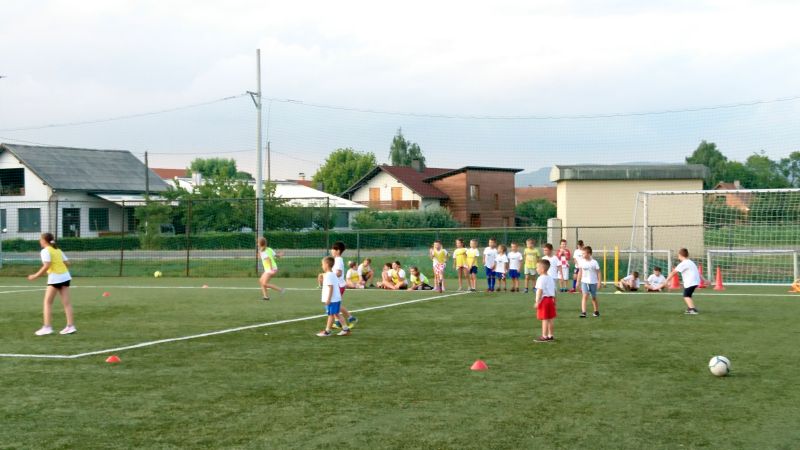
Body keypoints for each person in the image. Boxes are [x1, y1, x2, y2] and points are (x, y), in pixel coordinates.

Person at [28, 232, 76, 336]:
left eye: (40, 239)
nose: (39, 241)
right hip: (65, 277)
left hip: (55, 278)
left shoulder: (45, 251)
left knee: (47, 302)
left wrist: (35, 276)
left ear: (44, 241)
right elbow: (68, 263)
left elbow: (47, 265)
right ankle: (70, 326)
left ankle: (47, 327)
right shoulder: (58, 250)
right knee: (67, 303)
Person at [317, 256, 352, 337]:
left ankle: (327, 331)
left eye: (322, 264)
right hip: (336, 298)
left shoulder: (329, 275)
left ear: (326, 264)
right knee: (337, 314)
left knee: (331, 315)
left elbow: (331, 287)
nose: (322, 266)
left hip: (332, 300)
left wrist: (328, 299)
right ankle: (346, 329)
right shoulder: (332, 274)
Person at [330, 241, 357, 328]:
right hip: (336, 285)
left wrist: (329, 276)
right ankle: (338, 321)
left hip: (338, 286)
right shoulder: (336, 260)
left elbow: (339, 273)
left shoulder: (338, 260)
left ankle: (350, 318)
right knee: (334, 304)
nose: (331, 250)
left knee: (334, 304)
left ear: (338, 251)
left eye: (333, 249)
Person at [666, 248, 701, 314]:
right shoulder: (691, 262)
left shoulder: (683, 263)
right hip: (695, 281)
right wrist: (704, 280)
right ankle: (690, 307)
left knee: (686, 295)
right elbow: (698, 273)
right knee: (688, 295)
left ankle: (692, 309)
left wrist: (667, 280)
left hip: (690, 282)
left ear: (680, 255)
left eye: (678, 256)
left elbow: (673, 272)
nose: (678, 257)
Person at [534, 259, 557, 342]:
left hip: (544, 301)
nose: (536, 269)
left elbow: (540, 290)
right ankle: (550, 335)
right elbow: (554, 290)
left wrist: (537, 301)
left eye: (537, 267)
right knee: (550, 319)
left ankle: (544, 336)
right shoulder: (550, 278)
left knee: (545, 319)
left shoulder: (541, 278)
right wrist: (555, 300)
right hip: (551, 300)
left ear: (542, 269)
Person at [257, 237, 284, 301]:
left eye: (258, 243)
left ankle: (281, 290)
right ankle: (265, 297)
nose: (257, 244)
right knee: (261, 281)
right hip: (270, 269)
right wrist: (280, 255)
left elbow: (268, 259)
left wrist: (271, 268)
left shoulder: (262, 252)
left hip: (270, 269)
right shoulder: (269, 249)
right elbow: (275, 255)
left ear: (260, 244)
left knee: (264, 283)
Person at [576, 245, 600, 318]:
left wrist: (599, 282)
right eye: (582, 253)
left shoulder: (594, 262)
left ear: (589, 254)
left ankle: (596, 311)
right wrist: (578, 282)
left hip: (593, 282)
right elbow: (580, 272)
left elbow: (598, 272)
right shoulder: (581, 262)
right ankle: (583, 312)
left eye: (584, 253)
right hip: (584, 282)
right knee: (585, 296)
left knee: (593, 297)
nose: (582, 255)